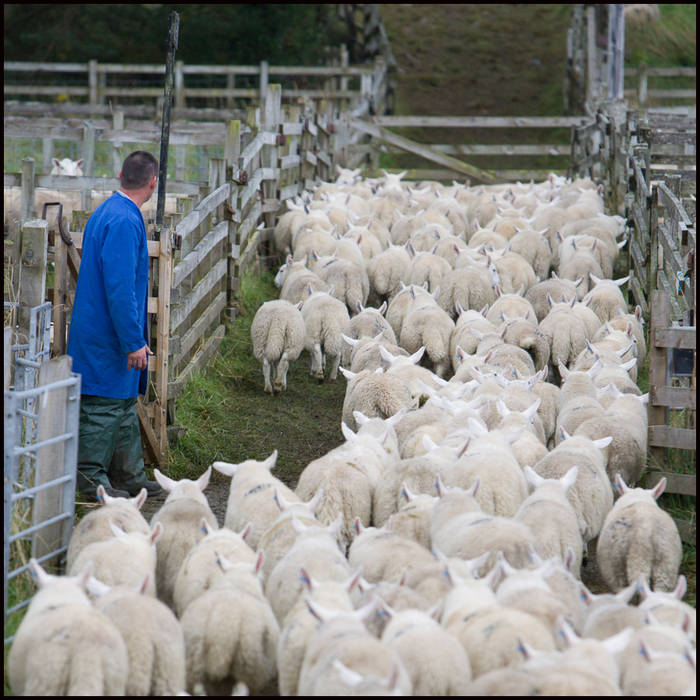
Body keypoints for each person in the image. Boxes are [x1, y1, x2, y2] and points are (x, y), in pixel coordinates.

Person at [67, 150, 163, 501]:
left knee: (122, 403)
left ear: (121, 174)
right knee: (102, 404)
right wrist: (133, 341)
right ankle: (89, 478)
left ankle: (130, 475)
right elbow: (120, 288)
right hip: (107, 333)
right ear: (153, 182)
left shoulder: (111, 210)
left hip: (102, 328)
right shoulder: (123, 220)